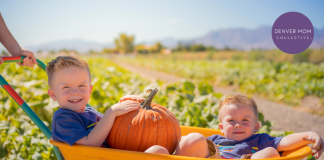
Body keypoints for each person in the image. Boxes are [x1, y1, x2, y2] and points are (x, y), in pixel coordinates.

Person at [48, 56, 167, 154]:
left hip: (116, 154)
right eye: (66, 87)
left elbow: (115, 128)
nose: (75, 92)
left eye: (81, 86)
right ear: (53, 94)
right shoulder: (63, 119)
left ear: (89, 90)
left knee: (180, 144)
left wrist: (125, 103)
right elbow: (90, 144)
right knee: (158, 152)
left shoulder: (91, 112)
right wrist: (112, 111)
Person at [177, 95, 324, 159]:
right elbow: (190, 146)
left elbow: (285, 141)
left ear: (256, 127)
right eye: (231, 121)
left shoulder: (260, 140)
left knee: (271, 152)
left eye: (245, 120)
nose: (238, 124)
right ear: (221, 127)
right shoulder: (215, 140)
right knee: (194, 139)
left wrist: (309, 135)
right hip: (217, 158)